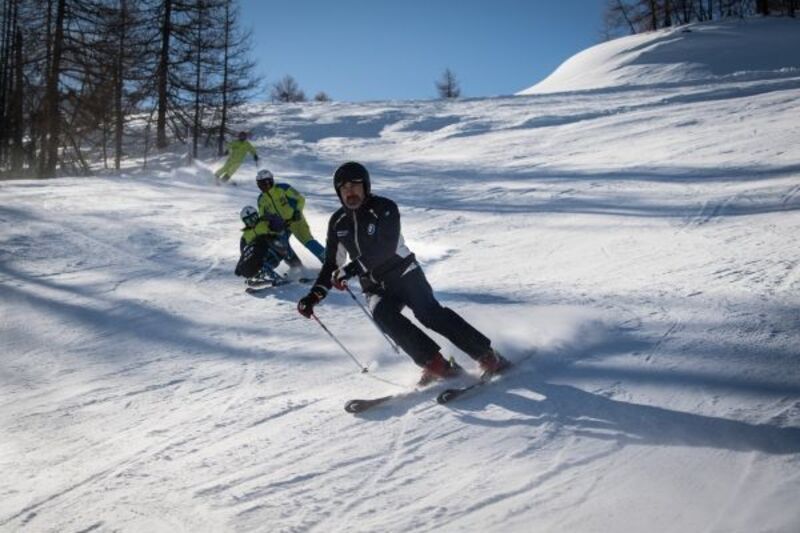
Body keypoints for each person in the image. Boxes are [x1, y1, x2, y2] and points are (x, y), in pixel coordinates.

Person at [296, 161, 509, 385]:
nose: (349, 191)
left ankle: (486, 354)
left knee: (429, 313)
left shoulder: (384, 208)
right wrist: (314, 296)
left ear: (365, 186)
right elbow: (331, 264)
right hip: (374, 285)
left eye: (354, 185)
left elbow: (385, 248)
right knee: (383, 316)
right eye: (344, 188)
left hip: (404, 274)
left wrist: (352, 269)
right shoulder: (338, 222)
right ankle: (435, 363)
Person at [255, 169, 326, 264]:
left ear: (271, 181)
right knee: (280, 245)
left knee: (308, 241)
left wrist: (297, 211)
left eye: (265, 183)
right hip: (280, 225)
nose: (263, 186)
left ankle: (329, 260)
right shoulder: (261, 199)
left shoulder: (283, 188)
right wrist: (268, 227)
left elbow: (300, 199)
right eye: (260, 184)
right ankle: (297, 267)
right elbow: (263, 217)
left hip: (296, 220)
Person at [234, 205, 301, 283]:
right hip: (265, 257)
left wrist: (272, 218)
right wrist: (241, 266)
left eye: (254, 218)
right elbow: (245, 253)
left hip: (277, 248)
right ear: (245, 222)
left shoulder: (265, 222)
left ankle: (302, 270)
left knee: (290, 256)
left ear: (257, 215)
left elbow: (280, 225)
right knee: (258, 262)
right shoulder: (245, 236)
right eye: (249, 221)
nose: (252, 222)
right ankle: (261, 276)